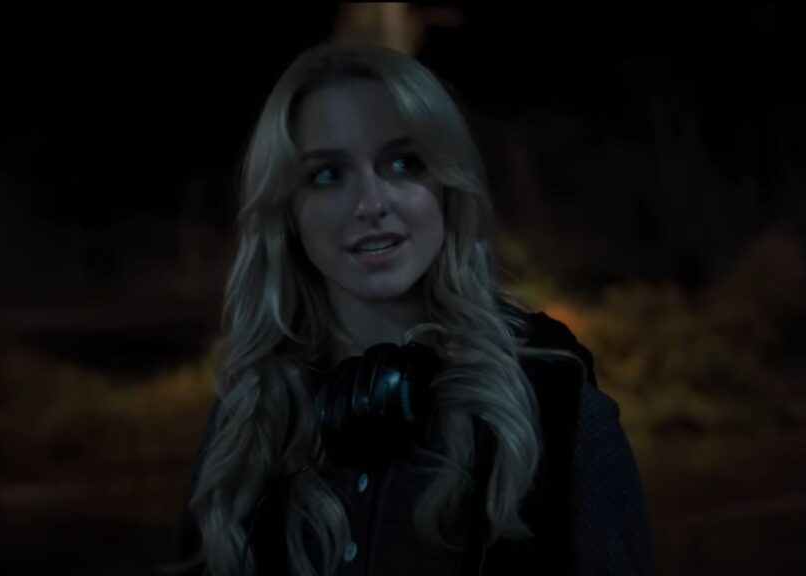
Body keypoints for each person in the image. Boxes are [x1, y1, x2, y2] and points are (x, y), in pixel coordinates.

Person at [172, 43, 653, 576]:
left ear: (448, 184)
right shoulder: (252, 411)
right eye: (328, 174)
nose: (371, 204)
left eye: (404, 163)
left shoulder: (553, 400)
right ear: (287, 211)